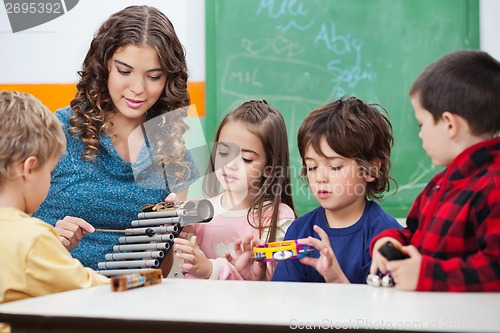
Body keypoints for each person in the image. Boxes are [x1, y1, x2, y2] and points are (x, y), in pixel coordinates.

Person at [33, 5, 199, 274]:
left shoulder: (174, 152)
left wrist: (172, 237)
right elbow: (9, 225)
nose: (138, 89)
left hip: (131, 300)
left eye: (153, 76)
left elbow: (162, 269)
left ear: (169, 78)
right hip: (54, 293)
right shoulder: (55, 131)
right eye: (124, 71)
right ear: (104, 66)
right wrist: (50, 238)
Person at [369, 49, 500, 292]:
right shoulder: (438, 185)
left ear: (449, 124)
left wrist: (427, 275)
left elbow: (494, 268)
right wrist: (391, 241)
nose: (420, 134)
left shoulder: (493, 186)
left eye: (422, 123)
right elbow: (413, 234)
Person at [0, 91, 109, 332]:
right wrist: (145, 281)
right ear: (29, 168)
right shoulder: (32, 237)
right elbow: (93, 290)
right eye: (50, 172)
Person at [272, 96, 402, 283]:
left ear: (371, 169)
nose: (320, 177)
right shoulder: (299, 232)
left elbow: (383, 308)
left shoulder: (386, 236)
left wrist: (337, 280)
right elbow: (284, 301)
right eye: (312, 167)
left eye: (334, 167)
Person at [173, 100, 297, 280]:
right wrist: (170, 219)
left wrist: (211, 269)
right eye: (224, 153)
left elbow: (274, 279)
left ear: (268, 169)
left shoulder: (279, 218)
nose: (230, 165)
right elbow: (183, 268)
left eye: (246, 159)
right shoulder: (201, 209)